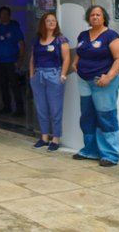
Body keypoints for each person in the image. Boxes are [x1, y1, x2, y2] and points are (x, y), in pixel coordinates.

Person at [71, 5, 119, 167]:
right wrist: (75, 65)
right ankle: (90, 150)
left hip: (102, 82)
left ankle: (110, 155)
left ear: (104, 18)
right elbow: (79, 54)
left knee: (106, 116)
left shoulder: (111, 36)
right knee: (87, 116)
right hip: (84, 81)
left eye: (98, 15)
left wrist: (108, 76)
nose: (95, 17)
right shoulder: (83, 35)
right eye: (92, 15)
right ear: (88, 18)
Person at [28, 12, 70, 151]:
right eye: (48, 21)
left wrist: (63, 75)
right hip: (38, 75)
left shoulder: (61, 40)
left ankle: (55, 139)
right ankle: (44, 137)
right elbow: (32, 59)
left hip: (54, 75)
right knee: (41, 108)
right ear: (43, 23)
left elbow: (67, 59)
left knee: (55, 108)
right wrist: (31, 75)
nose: (51, 23)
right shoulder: (37, 40)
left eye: (53, 20)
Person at [0, 6, 26, 116]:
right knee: (3, 85)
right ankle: (7, 107)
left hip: (12, 61)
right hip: (0, 62)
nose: (4, 16)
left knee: (15, 85)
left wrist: (21, 59)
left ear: (9, 15)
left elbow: (22, 44)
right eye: (2, 14)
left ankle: (20, 109)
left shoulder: (14, 28)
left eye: (6, 14)